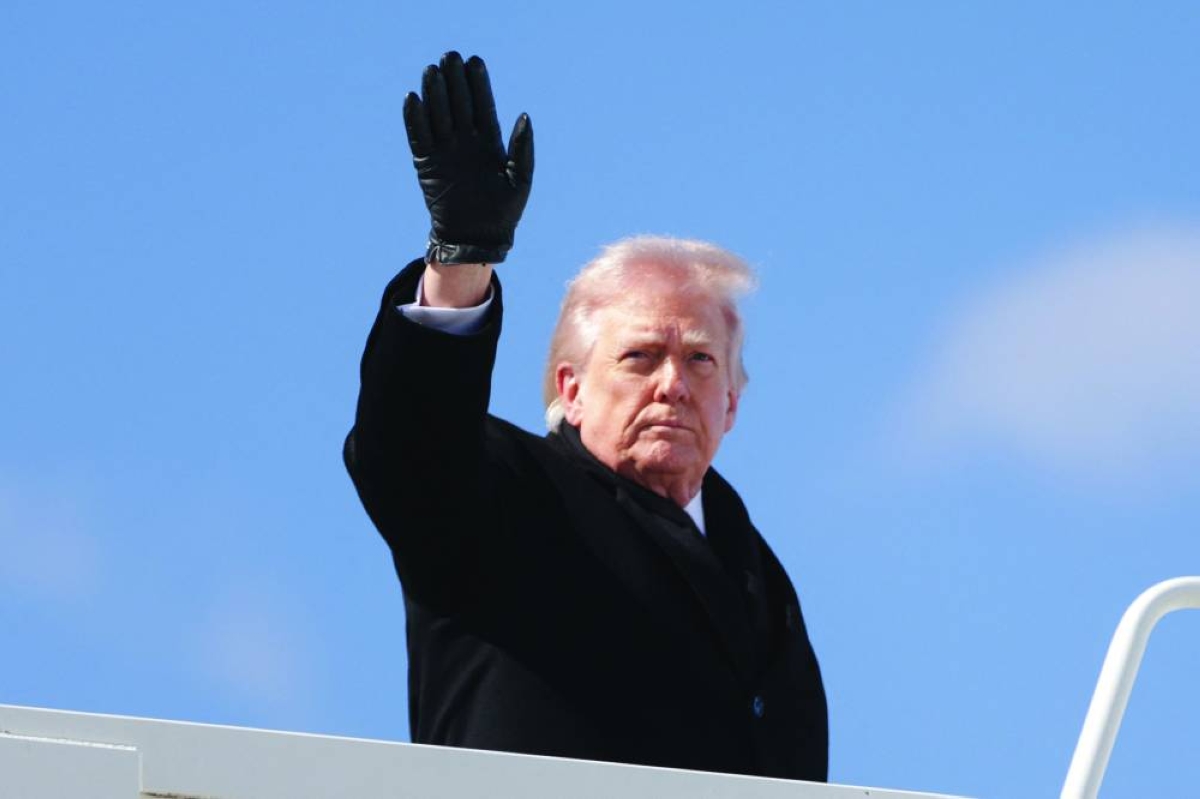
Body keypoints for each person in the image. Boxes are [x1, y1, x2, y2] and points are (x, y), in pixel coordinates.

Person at [344, 51, 828, 781]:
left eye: (699, 360)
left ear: (732, 400)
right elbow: (409, 453)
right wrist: (461, 261)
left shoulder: (761, 575)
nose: (672, 384)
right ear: (570, 390)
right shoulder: (509, 496)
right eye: (638, 357)